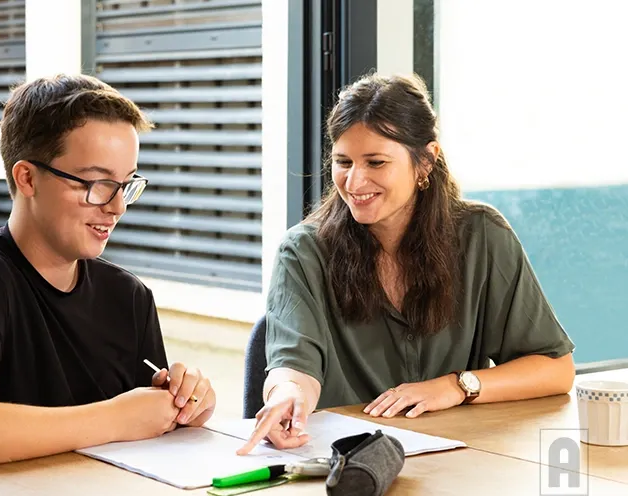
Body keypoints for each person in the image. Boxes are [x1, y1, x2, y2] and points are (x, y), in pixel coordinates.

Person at [237, 73, 575, 455]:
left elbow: (554, 368)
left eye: (376, 162)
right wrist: (288, 394)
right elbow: (292, 365)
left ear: (425, 161)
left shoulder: (483, 236)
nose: (354, 180)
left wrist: (456, 386)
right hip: (347, 466)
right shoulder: (303, 252)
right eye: (343, 161)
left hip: (460, 461)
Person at [0, 74, 216, 468]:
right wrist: (117, 417)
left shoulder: (128, 296)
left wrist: (184, 406)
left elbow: (146, 434)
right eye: (96, 184)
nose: (116, 207)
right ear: (27, 178)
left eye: (126, 185)